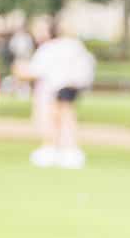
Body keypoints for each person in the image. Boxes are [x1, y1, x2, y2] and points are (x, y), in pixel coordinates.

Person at [19, 20, 96, 168]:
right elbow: (86, 67)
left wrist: (20, 70)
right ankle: (67, 150)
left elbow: (35, 71)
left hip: (54, 88)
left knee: (54, 118)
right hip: (70, 86)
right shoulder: (74, 45)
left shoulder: (49, 48)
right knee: (66, 117)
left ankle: (53, 149)